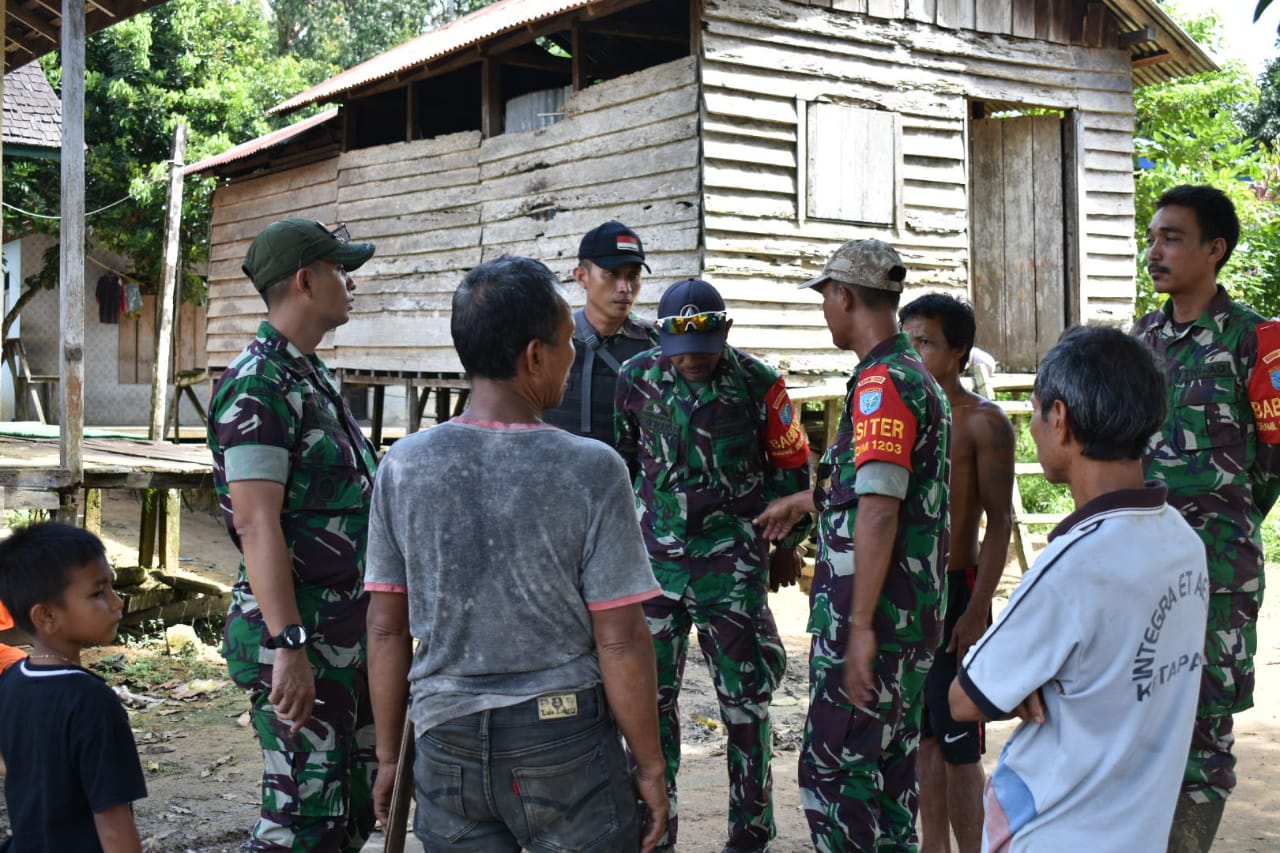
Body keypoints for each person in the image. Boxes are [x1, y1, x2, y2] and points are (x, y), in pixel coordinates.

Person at [364, 255, 670, 852]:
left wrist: (385, 756)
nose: (574, 353)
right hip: (563, 740)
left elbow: (384, 629)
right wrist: (651, 766)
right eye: (566, 342)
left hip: (444, 737)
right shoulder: (591, 469)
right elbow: (621, 638)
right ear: (535, 356)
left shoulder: (403, 465)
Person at [950, 325, 1210, 849]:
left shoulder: (1076, 565)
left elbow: (965, 698)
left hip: (1059, 829)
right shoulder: (1183, 543)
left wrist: (1028, 681)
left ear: (1061, 419)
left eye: (1038, 412)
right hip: (1137, 830)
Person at [756, 238, 950, 850]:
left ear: (843, 295)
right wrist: (805, 501)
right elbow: (875, 488)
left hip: (876, 621)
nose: (825, 310)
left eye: (825, 298)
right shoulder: (912, 379)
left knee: (834, 775)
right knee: (890, 782)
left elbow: (879, 511)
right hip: (909, 618)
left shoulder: (881, 387)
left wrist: (861, 626)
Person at [614, 278, 812, 853]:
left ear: (723, 336)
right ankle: (655, 831)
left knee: (745, 706)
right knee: (649, 705)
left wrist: (785, 542)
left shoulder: (759, 384)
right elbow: (626, 463)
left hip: (732, 567)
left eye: (704, 352)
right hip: (654, 568)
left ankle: (749, 834)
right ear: (664, 341)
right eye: (683, 354)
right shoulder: (638, 378)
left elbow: (792, 471)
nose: (693, 364)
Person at [206, 218, 379, 853]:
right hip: (299, 637)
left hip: (346, 637)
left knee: (350, 814)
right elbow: (256, 522)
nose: (351, 282)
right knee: (302, 822)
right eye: (341, 270)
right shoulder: (260, 383)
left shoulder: (311, 376)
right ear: (306, 281)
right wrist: (290, 644)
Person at [1133, 184, 1280, 852]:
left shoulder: (1257, 340)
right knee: (1140, 717)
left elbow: (1274, 459)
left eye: (1171, 238)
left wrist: (1227, 523)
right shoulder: (1141, 339)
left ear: (1214, 250)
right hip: (1140, 569)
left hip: (1219, 572)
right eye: (1153, 235)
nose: (1153, 251)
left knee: (1203, 731)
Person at [899, 294, 1014, 853]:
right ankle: (932, 847)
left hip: (957, 591)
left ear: (959, 352)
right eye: (908, 341)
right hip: (908, 595)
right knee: (922, 734)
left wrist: (976, 608)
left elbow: (999, 522)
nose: (913, 354)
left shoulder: (982, 423)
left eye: (926, 343)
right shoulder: (894, 413)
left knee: (960, 741)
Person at [0, 521, 146, 853]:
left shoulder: (11, 681)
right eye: (98, 593)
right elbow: (112, 824)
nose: (117, 602)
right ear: (46, 616)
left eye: (111, 587)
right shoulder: (92, 701)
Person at [543, 220, 658, 448]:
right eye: (612, 274)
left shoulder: (657, 345)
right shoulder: (548, 340)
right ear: (581, 277)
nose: (624, 287)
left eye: (633, 275)